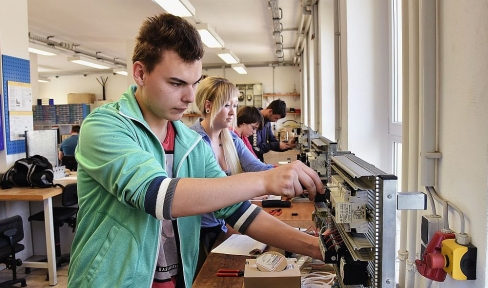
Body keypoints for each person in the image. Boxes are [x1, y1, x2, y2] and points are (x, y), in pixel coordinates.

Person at [67, 13, 324, 288]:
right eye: (176, 83)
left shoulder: (189, 144)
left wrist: (317, 247)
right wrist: (264, 179)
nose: (190, 96)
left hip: (179, 280)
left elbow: (239, 211)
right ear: (140, 73)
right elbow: (158, 196)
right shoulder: (104, 126)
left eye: (194, 83)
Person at [189, 76, 274, 254]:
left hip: (224, 223)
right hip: (197, 231)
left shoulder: (232, 138)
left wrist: (288, 173)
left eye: (235, 105)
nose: (233, 112)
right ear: (208, 106)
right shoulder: (192, 142)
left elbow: (257, 167)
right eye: (227, 105)